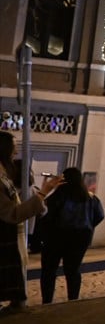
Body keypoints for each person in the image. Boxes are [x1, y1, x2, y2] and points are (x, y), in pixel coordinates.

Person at [1, 132, 62, 314]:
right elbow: (12, 213)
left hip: (11, 238)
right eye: (13, 146)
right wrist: (43, 193)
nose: (16, 151)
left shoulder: (5, 175)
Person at [38, 167, 104, 303]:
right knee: (73, 270)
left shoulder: (57, 197)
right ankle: (73, 299)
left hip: (56, 237)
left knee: (49, 270)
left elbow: (45, 217)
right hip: (80, 237)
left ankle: (47, 300)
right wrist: (89, 227)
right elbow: (99, 216)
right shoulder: (90, 198)